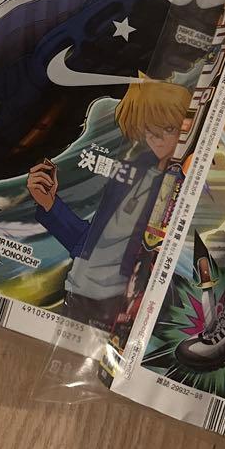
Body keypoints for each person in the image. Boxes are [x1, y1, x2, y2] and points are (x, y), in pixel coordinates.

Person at [27, 79, 190, 331]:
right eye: (150, 128)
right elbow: (90, 243)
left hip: (117, 306)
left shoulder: (179, 184)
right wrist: (50, 204)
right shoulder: (131, 170)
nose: (156, 138)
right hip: (77, 291)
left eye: (168, 128)